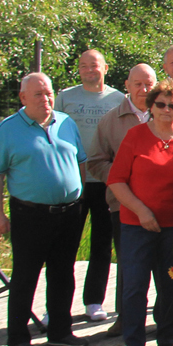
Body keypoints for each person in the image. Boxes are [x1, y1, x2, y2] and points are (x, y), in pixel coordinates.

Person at [0, 72, 89, 346]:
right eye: (38, 94)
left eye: (49, 93)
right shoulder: (8, 129)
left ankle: (60, 332)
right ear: (23, 97)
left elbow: (79, 162)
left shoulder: (66, 123)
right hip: (30, 215)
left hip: (69, 213)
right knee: (26, 276)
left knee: (63, 274)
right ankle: (17, 338)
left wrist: (78, 195)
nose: (46, 99)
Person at [106, 78, 173, 346]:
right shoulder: (135, 135)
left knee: (171, 286)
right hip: (136, 225)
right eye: (160, 104)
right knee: (134, 288)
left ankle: (166, 342)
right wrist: (141, 211)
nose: (166, 109)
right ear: (151, 106)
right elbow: (116, 180)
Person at [86, 63, 157, 336]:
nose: (144, 89)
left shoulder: (167, 114)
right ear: (127, 86)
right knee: (129, 264)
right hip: (123, 204)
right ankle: (125, 319)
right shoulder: (110, 120)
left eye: (149, 84)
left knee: (164, 264)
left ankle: (162, 319)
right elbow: (96, 162)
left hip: (163, 203)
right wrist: (122, 180)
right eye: (138, 84)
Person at [56, 49, 125, 323]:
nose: (88, 70)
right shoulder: (65, 97)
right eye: (83, 65)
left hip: (106, 180)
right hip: (73, 180)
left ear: (105, 68)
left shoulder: (118, 99)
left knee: (101, 244)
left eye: (93, 65)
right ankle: (56, 305)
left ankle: (94, 301)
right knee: (66, 245)